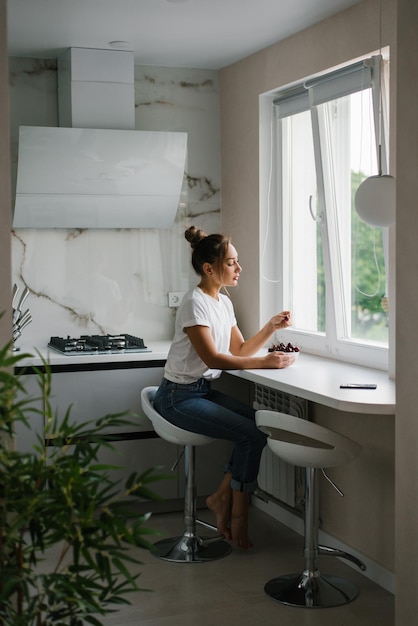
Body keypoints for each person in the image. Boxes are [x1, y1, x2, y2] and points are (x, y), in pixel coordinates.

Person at [153, 226, 295, 550]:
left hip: (200, 391)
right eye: (232, 262)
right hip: (177, 397)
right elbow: (213, 357)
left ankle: (220, 497)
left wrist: (271, 328)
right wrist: (266, 363)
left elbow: (241, 350)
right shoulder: (194, 303)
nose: (239, 269)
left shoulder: (223, 302)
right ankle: (238, 515)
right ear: (209, 268)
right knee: (252, 434)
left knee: (258, 425)